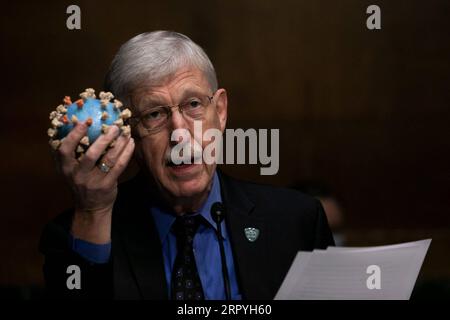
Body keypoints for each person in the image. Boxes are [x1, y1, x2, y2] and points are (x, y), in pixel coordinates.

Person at [39, 31, 334, 300]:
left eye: (193, 104)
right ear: (128, 131)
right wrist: (94, 212)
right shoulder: (77, 234)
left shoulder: (297, 221)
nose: (179, 133)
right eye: (154, 114)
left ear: (219, 111)